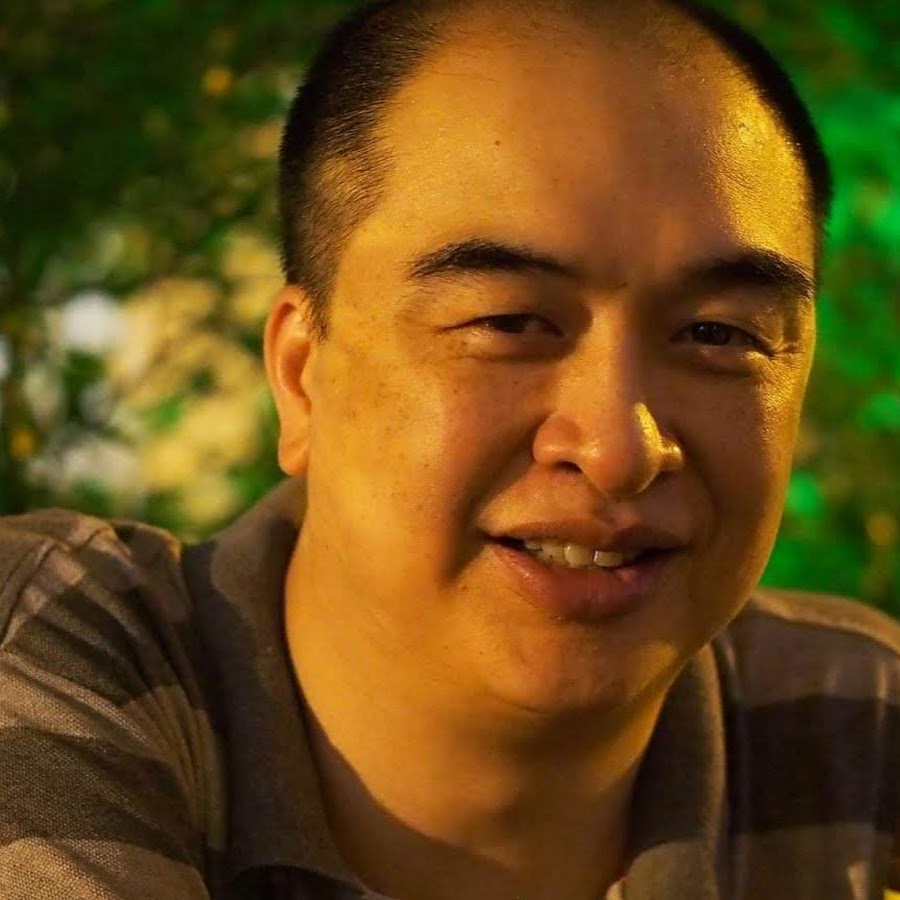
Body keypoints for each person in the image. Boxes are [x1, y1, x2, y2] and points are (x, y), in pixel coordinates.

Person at [1, 0, 898, 897]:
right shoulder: (58, 661)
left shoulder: (857, 731)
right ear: (303, 375)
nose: (618, 450)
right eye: (509, 322)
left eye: (718, 334)